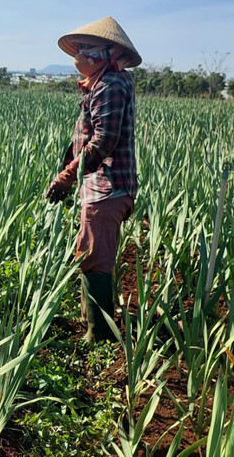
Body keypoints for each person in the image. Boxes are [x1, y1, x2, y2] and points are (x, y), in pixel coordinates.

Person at [45, 17, 141, 343]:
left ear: (100, 55)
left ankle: (99, 337)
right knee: (89, 254)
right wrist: (66, 166)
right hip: (102, 185)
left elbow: (103, 141)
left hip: (108, 187)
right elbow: (85, 135)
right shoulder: (101, 85)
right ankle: (91, 322)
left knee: (95, 260)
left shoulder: (110, 87)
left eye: (83, 52)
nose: (78, 58)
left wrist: (67, 176)